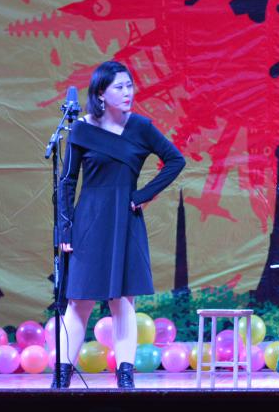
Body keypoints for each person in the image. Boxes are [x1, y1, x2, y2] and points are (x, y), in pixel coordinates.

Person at [52, 60, 185, 389]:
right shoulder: (81, 129)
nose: (128, 92)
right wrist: (65, 229)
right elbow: (67, 182)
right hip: (88, 221)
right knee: (78, 301)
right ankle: (62, 377)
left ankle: (125, 377)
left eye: (130, 86)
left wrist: (142, 196)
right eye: (119, 87)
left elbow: (175, 160)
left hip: (125, 220)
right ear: (100, 93)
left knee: (124, 300)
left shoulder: (141, 127)